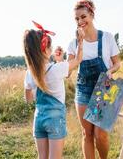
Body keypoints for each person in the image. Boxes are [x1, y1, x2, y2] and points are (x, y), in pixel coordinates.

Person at [67, 0, 120, 159]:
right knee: (87, 133)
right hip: (83, 89)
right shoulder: (74, 43)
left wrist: (110, 71)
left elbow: (118, 63)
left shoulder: (107, 38)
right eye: (77, 18)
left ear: (91, 14)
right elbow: (68, 68)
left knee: (101, 134)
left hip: (105, 87)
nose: (80, 21)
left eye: (83, 16)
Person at [24, 21, 84, 159]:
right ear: (45, 50)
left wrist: (58, 61)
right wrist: (80, 41)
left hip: (38, 119)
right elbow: (79, 59)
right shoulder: (58, 69)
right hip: (55, 121)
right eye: (50, 47)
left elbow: (28, 99)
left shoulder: (30, 73)